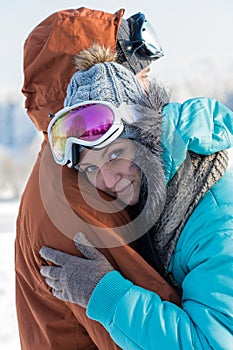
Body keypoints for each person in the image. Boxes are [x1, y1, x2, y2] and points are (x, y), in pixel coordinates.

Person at [40, 45, 233, 349]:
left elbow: (211, 343)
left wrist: (105, 294)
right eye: (90, 168)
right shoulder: (155, 195)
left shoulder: (215, 221)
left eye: (116, 153)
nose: (107, 180)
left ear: (147, 137)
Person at [15, 7, 181, 350]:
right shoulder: (77, 197)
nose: (146, 84)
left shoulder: (65, 163)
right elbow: (154, 338)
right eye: (138, 75)